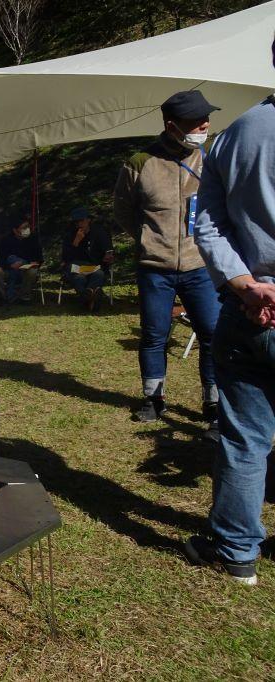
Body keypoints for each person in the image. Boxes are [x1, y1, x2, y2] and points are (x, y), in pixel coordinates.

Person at [186, 73, 275, 585]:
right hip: (250, 310)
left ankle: (238, 552)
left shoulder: (237, 134)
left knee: (244, 439)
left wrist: (246, 285)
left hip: (249, 311)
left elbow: (207, 225)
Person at [114, 90, 221, 430]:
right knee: (154, 334)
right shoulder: (139, 163)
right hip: (154, 268)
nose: (205, 125)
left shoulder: (212, 156)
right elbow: (124, 211)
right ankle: (153, 397)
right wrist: (150, 240)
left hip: (200, 266)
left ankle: (214, 401)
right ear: (172, 126)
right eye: (196, 121)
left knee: (212, 333)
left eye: (206, 119)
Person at [61, 207, 115, 311]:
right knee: (79, 277)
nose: (79, 224)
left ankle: (88, 297)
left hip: (95, 264)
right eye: (76, 222)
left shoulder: (99, 232)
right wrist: (76, 241)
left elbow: (108, 249)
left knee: (98, 274)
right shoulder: (70, 234)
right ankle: (92, 297)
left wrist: (108, 255)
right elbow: (66, 257)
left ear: (88, 220)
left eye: (81, 221)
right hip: (76, 265)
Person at [0, 216, 43, 304]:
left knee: (33, 272)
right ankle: (4, 297)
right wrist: (10, 266)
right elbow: (0, 260)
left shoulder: (33, 239)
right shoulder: (6, 240)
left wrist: (34, 262)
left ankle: (24, 297)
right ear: (15, 230)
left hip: (26, 269)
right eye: (24, 228)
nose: (27, 229)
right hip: (8, 269)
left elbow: (39, 257)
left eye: (28, 227)